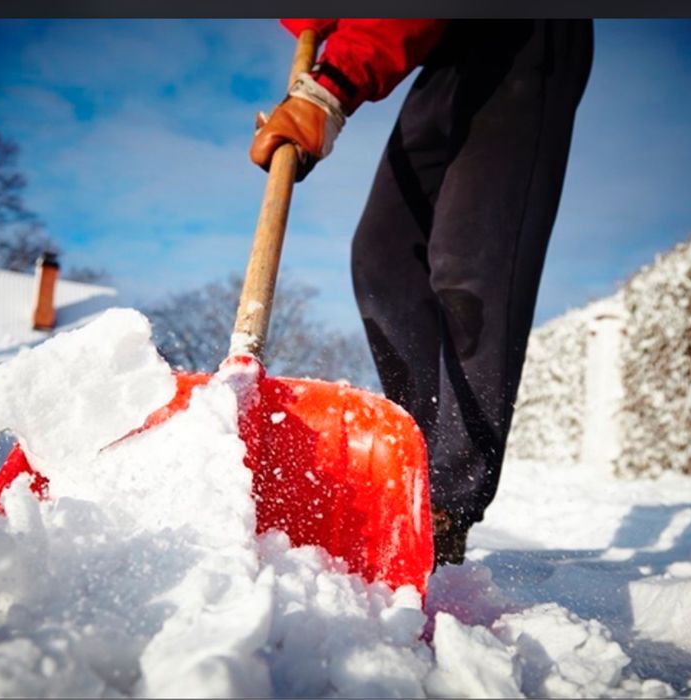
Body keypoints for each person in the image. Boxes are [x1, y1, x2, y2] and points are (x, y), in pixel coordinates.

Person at [250, 19, 594, 566]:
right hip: (448, 53)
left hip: (524, 34)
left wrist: (328, 90)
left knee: (470, 263)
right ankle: (416, 466)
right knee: (382, 257)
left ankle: (445, 505)